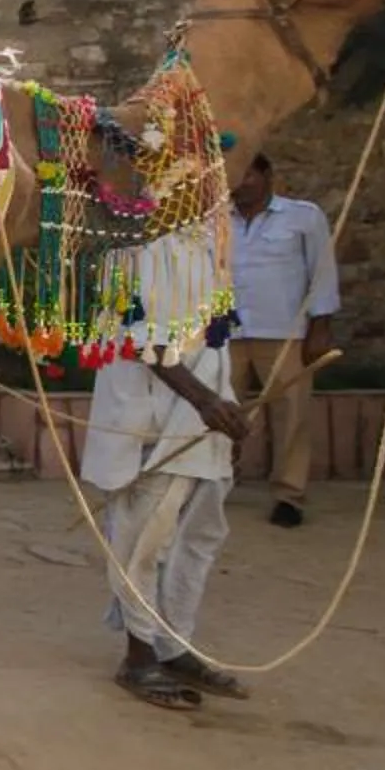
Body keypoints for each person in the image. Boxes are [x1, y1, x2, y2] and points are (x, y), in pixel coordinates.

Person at [81, 229, 253, 712]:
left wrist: (227, 407)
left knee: (198, 539)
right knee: (144, 542)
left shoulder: (212, 245)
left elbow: (213, 342)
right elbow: (143, 341)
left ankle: (174, 647)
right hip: (157, 424)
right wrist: (205, 401)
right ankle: (138, 656)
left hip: (202, 425)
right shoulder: (138, 249)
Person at [228, 152, 340, 527]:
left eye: (248, 175)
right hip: (227, 333)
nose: (240, 183)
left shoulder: (303, 217)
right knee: (220, 409)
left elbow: (322, 272)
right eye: (234, 176)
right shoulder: (214, 219)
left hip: (286, 332)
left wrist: (320, 327)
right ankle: (216, 482)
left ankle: (289, 495)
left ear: (266, 175)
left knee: (292, 413)